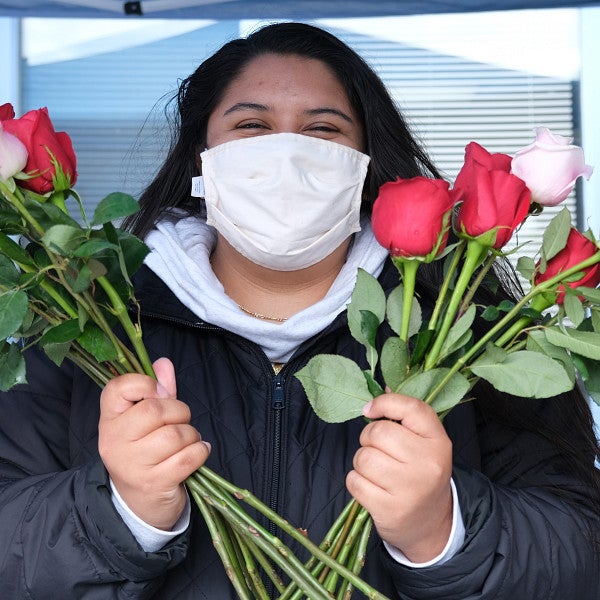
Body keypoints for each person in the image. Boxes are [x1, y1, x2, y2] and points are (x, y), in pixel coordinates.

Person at [1, 21, 599, 599]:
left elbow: (581, 548)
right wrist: (122, 514)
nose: (286, 153)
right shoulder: (83, 324)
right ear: (201, 159)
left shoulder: (475, 332)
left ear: (367, 164)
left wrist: (443, 531)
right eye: (252, 125)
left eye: (322, 130)